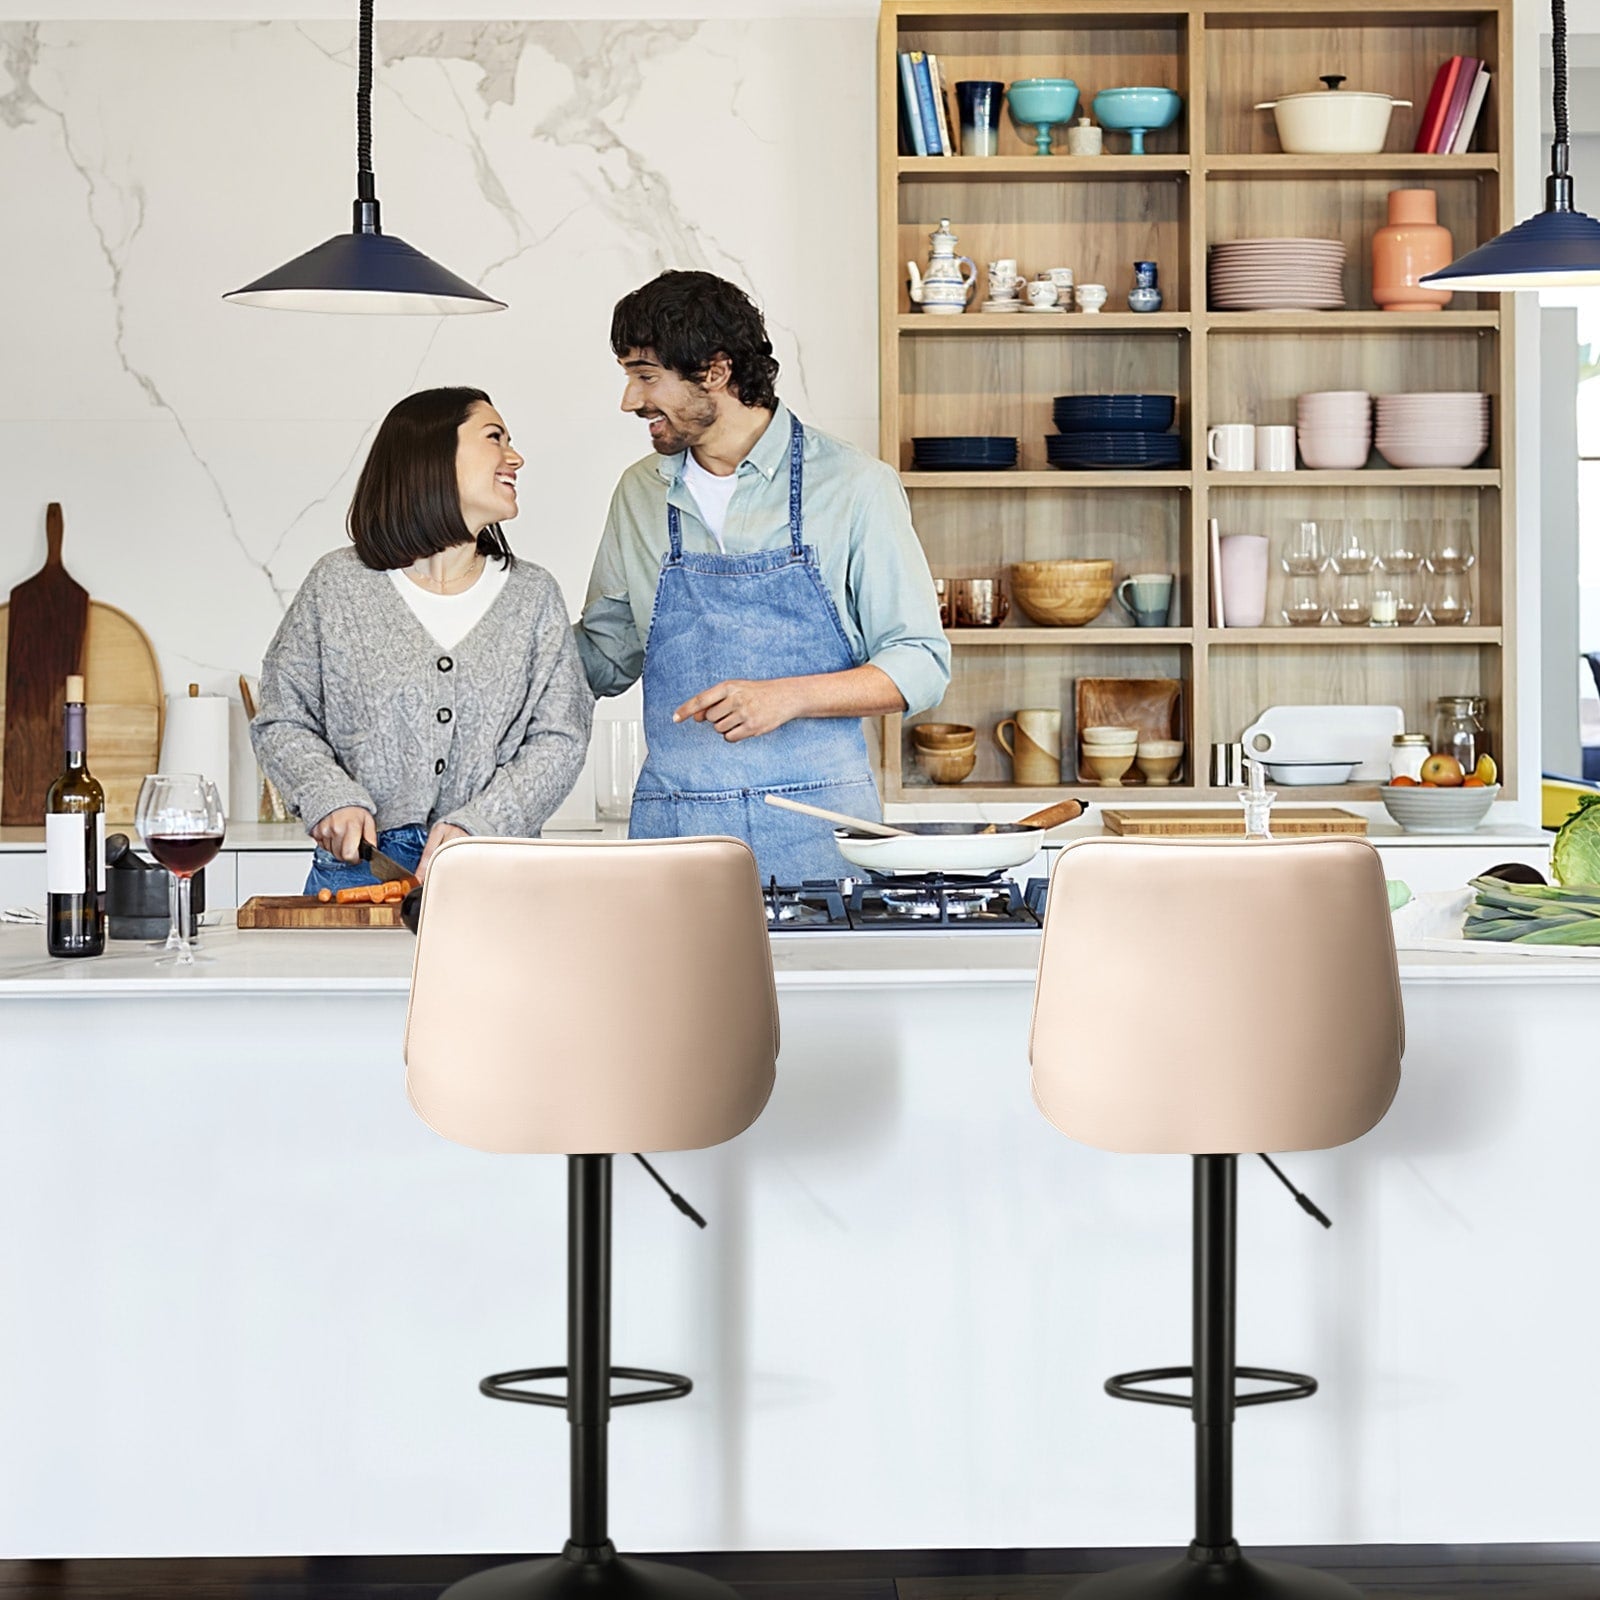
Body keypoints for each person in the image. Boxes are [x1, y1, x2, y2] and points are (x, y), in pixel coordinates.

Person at [576, 271, 950, 884]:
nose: (630, 400)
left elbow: (921, 663)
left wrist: (788, 696)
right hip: (677, 831)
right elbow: (606, 653)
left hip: (821, 830)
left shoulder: (855, 485)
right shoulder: (640, 492)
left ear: (715, 371)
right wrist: (497, 619)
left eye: (646, 376)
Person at [252, 387, 592, 893]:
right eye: (495, 438)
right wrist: (329, 795)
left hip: (493, 869)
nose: (515, 458)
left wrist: (482, 822)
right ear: (433, 455)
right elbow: (282, 717)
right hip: (357, 876)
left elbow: (561, 738)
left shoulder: (532, 595)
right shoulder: (337, 586)